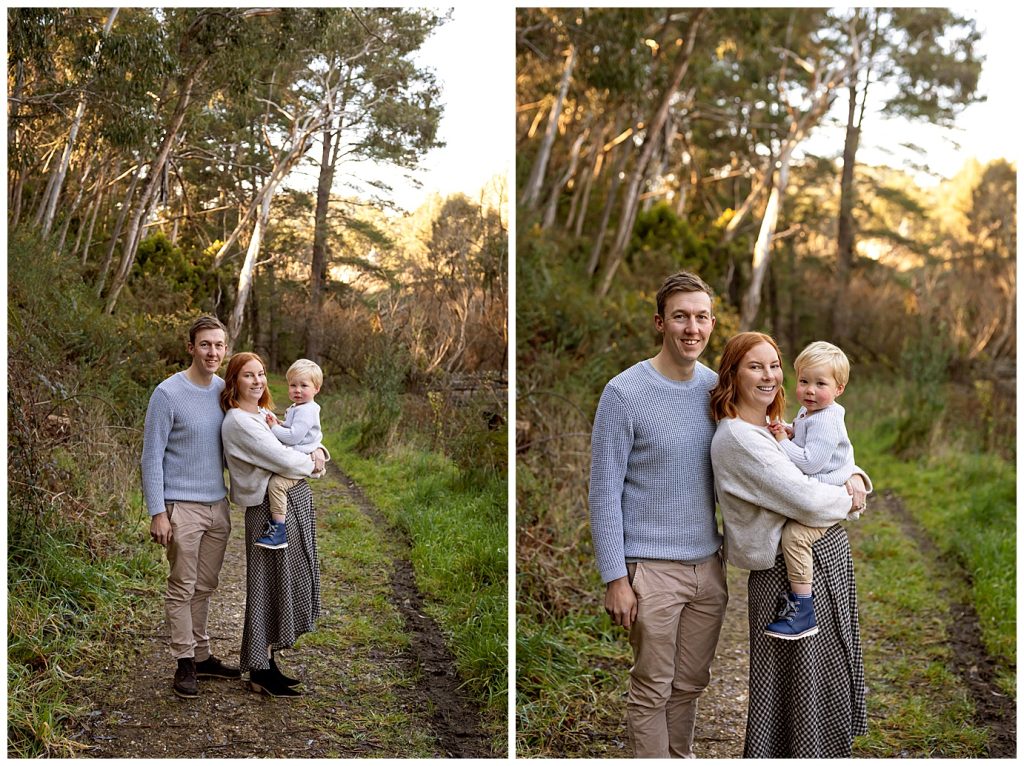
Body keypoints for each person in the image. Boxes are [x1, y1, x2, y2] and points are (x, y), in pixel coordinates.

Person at [708, 331, 870, 758]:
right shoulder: (740, 438)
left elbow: (827, 457)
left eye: (774, 365)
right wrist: (853, 498)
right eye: (755, 366)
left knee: (823, 678)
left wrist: (855, 474)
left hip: (820, 561)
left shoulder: (769, 426)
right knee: (792, 692)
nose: (769, 376)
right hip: (785, 575)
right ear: (733, 374)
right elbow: (805, 497)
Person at [588, 271, 728, 758]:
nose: (693, 328)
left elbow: (773, 445)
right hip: (650, 571)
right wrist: (615, 578)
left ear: (712, 323)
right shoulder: (624, 393)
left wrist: (850, 470)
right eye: (681, 317)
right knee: (652, 688)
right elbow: (603, 491)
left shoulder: (718, 390)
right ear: (659, 323)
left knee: (690, 684)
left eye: (702, 317)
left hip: (708, 566)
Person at [141, 315, 241, 699]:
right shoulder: (167, 394)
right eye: (204, 344)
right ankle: (183, 661)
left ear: (225, 349)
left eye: (218, 345)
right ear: (191, 347)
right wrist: (158, 511)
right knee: (182, 585)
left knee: (206, 585)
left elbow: (240, 443)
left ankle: (202, 655)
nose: (212, 352)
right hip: (181, 507)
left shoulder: (224, 392)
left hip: (218, 506)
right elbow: (151, 458)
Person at [219, 352, 328, 697]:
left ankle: (267, 663)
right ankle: (259, 668)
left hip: (290, 503)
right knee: (266, 585)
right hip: (269, 510)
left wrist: (318, 451)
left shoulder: (264, 415)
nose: (257, 381)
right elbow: (283, 459)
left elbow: (301, 440)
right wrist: (313, 461)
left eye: (261, 374)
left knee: (286, 580)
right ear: (234, 381)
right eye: (248, 375)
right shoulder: (239, 421)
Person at [764, 341, 859, 639]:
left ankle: (803, 609)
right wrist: (791, 432)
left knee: (795, 536)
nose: (809, 390)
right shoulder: (809, 413)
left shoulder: (827, 420)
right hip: (821, 490)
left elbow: (810, 463)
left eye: (820, 384)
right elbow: (804, 438)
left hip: (830, 492)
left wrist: (781, 442)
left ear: (839, 389)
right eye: (804, 381)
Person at [256, 359, 326, 550]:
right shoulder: (298, 408)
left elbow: (293, 437)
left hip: (303, 458)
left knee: (277, 485)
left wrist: (272, 428)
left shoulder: (307, 410)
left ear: (316, 389)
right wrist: (278, 423)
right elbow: (291, 429)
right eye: (293, 385)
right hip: (299, 455)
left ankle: (278, 530)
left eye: (304, 385)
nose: (297, 390)